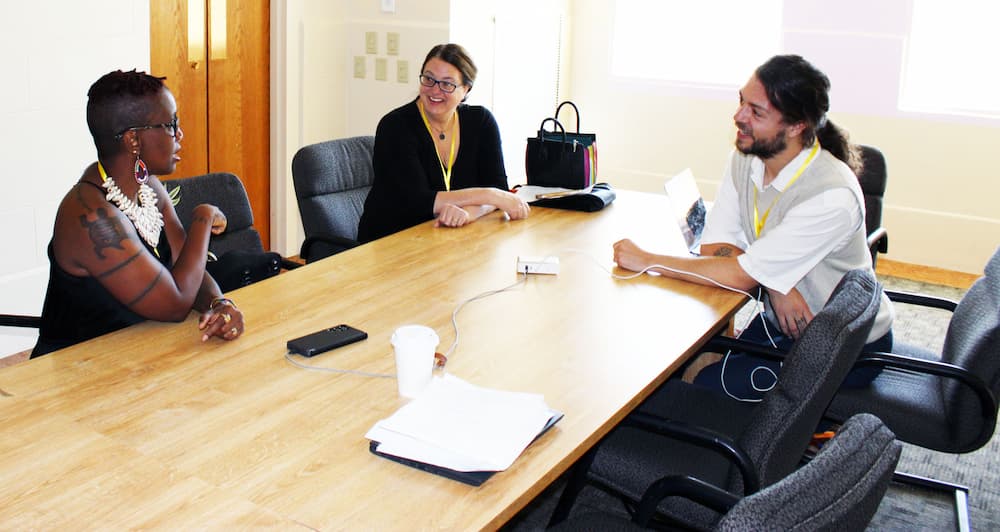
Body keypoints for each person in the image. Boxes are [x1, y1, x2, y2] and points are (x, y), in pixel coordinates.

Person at [613, 55, 894, 401]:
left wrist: (648, 259)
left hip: (841, 344)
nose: (738, 117)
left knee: (705, 392)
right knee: (679, 366)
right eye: (741, 101)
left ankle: (805, 442)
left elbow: (740, 274)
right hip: (783, 320)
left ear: (796, 127)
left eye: (756, 112)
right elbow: (715, 247)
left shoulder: (831, 195)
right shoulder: (746, 158)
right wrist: (774, 282)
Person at [31, 69, 245, 358]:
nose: (179, 133)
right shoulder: (91, 217)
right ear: (133, 140)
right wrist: (203, 218)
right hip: (75, 376)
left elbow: (188, 271)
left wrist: (219, 303)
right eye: (171, 124)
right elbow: (176, 303)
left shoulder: (148, 188)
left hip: (139, 354)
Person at [357, 43, 530, 242]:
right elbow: (418, 201)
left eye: (447, 84)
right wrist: (490, 195)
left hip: (447, 238)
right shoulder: (395, 127)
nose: (435, 90)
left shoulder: (481, 122)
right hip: (391, 241)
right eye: (429, 79)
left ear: (466, 89)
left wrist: (468, 213)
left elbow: (498, 185)